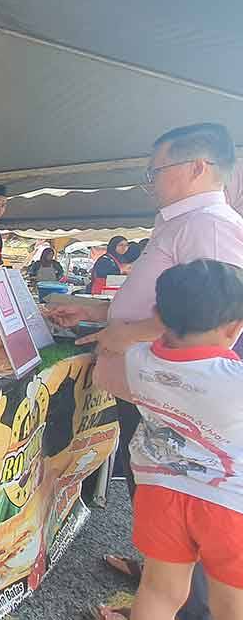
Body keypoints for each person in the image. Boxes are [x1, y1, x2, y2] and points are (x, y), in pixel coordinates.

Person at [47, 123, 243, 620]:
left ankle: (188, 607)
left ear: (197, 167)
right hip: (166, 411)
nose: (150, 182)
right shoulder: (179, 222)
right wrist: (98, 311)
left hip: (185, 426)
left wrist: (124, 335)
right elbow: (168, 306)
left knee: (187, 517)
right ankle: (166, 582)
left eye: (157, 171)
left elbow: (204, 314)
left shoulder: (210, 225)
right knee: (160, 501)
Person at [123, 260, 243, 620]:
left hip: (159, 492)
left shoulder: (136, 359)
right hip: (229, 503)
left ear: (159, 315)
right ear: (234, 327)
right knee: (230, 605)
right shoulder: (234, 378)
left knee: (159, 591)